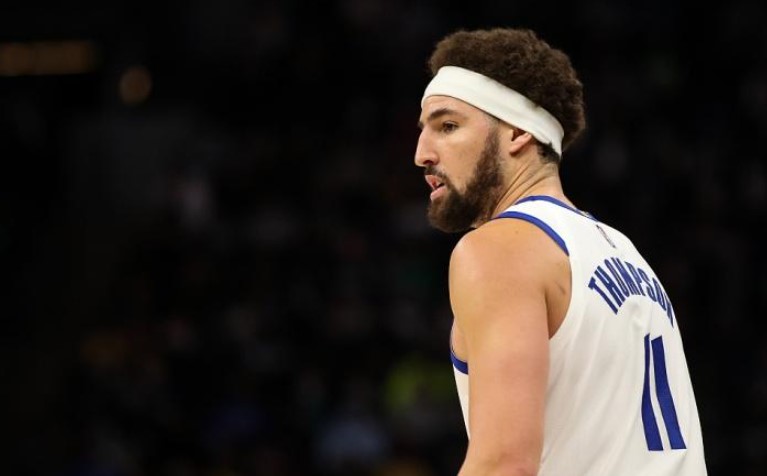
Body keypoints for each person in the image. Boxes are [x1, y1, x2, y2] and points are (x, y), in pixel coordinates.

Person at [414, 27, 707, 475]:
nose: (421, 154)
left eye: (448, 126)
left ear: (518, 132)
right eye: (424, 131)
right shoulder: (625, 252)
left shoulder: (499, 249)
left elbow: (505, 464)